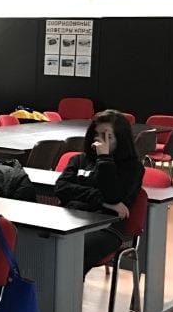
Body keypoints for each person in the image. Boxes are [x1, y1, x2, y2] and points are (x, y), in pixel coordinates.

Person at [54, 109, 142, 273]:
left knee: (73, 250)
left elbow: (114, 195)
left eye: (107, 137)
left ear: (121, 139)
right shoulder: (79, 160)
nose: (99, 140)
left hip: (107, 227)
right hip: (72, 219)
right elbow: (61, 188)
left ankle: (67, 288)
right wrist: (102, 201)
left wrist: (104, 159)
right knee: (38, 241)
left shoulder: (132, 168)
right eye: (97, 134)